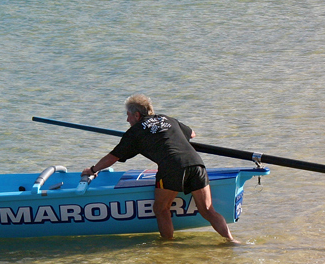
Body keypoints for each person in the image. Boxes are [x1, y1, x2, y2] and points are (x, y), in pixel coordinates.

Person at [81, 94, 237, 242]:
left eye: (128, 115)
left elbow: (112, 157)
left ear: (137, 115)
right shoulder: (167, 119)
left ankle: (167, 246)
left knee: (161, 209)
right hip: (196, 163)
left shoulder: (135, 132)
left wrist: (93, 170)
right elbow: (192, 134)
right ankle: (231, 240)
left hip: (171, 167)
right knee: (208, 210)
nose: (127, 119)